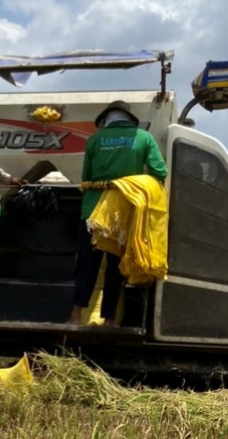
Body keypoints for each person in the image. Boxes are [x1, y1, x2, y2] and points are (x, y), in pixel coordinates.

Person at [68, 101, 167, 325]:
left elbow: (88, 176)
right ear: (129, 119)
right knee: (115, 267)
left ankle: (74, 316)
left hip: (92, 212)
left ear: (105, 120)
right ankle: (109, 320)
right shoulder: (144, 138)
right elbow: (160, 171)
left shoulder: (94, 139)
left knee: (86, 266)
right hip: (122, 214)